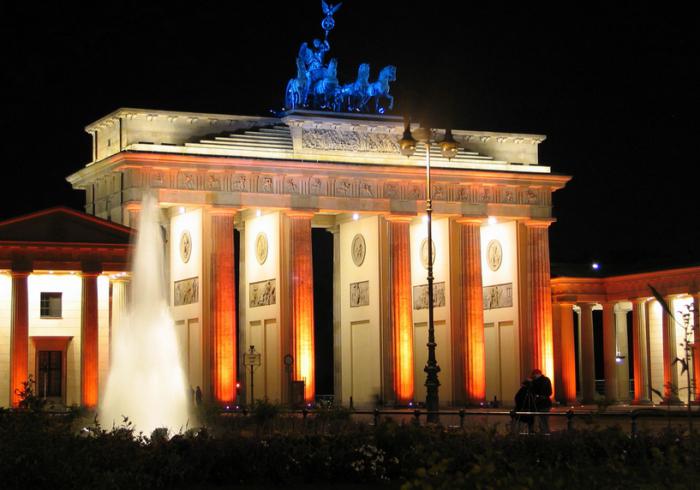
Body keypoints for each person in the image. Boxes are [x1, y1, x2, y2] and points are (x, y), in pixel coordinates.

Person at [530, 368, 552, 434]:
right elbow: (550, 392)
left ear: (536, 374)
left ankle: (545, 434)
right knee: (544, 421)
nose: (533, 377)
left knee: (543, 421)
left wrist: (531, 383)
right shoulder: (547, 380)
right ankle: (545, 433)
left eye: (534, 375)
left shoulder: (536, 382)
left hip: (541, 404)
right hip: (546, 403)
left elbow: (534, 391)